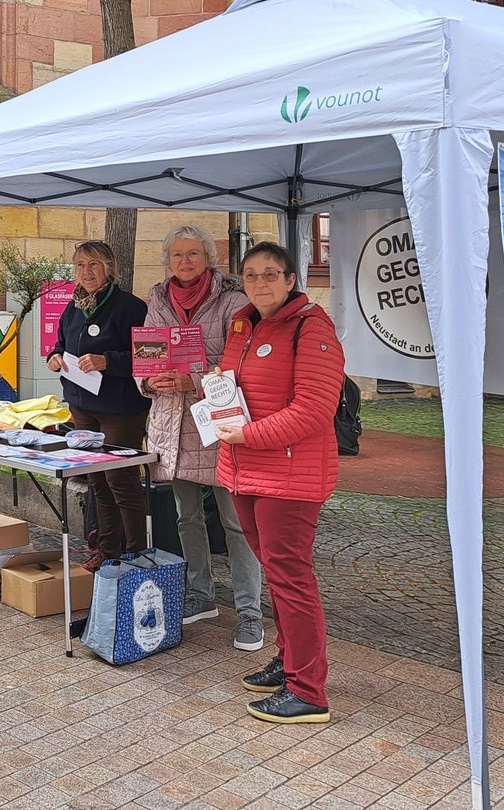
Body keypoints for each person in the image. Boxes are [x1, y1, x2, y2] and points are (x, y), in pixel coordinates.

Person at [215, 242, 345, 725]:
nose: (260, 282)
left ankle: (308, 690)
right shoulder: (244, 324)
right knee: (276, 572)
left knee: (291, 579)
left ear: (292, 279)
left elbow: (314, 410)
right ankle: (290, 664)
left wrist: (248, 434)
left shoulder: (313, 328)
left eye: (271, 274)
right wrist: (220, 386)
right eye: (251, 275)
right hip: (245, 468)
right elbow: (241, 386)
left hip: (288, 476)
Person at [137, 226, 264, 650]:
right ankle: (201, 594)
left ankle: (250, 611)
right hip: (171, 425)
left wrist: (191, 378)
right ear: (167, 261)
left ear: (209, 258)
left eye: (193, 254)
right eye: (177, 254)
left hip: (218, 425)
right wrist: (151, 383)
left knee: (237, 523)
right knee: (185, 516)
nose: (184, 261)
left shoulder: (233, 301)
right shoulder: (158, 299)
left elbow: (240, 363)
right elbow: (147, 358)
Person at [46, 240, 151, 568]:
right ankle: (108, 551)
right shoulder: (74, 305)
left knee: (121, 481)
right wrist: (55, 356)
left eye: (93, 265)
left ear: (109, 268)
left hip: (120, 409)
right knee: (96, 479)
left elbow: (147, 357)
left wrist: (108, 361)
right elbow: (61, 343)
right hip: (82, 404)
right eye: (80, 265)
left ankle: (135, 554)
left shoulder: (130, 306)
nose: (86, 272)